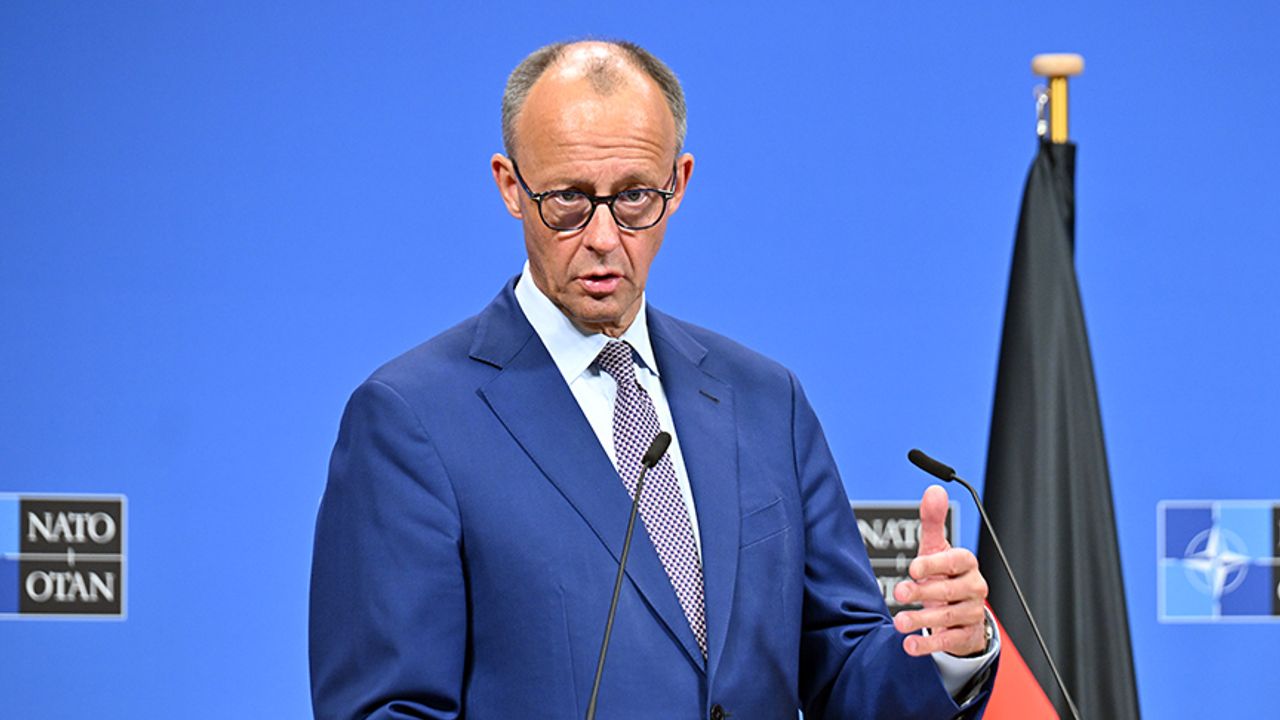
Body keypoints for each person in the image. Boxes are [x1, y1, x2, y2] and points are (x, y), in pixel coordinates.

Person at [310, 39, 999, 720]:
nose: (604, 237)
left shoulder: (766, 402)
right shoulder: (412, 419)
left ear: (679, 184)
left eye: (635, 196)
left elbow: (842, 671)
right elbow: (387, 709)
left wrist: (946, 650)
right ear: (511, 186)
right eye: (568, 199)